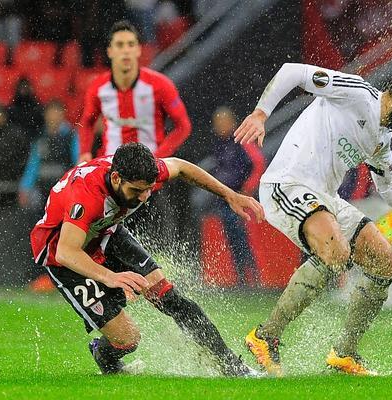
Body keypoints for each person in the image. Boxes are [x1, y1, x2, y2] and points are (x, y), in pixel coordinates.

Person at [234, 62, 392, 376]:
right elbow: (292, 72)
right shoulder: (355, 92)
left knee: (385, 260)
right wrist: (260, 113)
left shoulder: (382, 137)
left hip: (326, 198)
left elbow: (387, 184)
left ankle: (344, 354)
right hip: (288, 184)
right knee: (335, 253)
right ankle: (265, 337)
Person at [29, 142, 264, 376]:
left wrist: (230, 195)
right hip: (64, 258)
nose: (143, 198)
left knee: (170, 298)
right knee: (128, 340)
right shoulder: (86, 195)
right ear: (117, 178)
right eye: (136, 191)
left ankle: (233, 367)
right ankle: (103, 354)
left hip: (106, 233)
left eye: (148, 189)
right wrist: (111, 277)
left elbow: (181, 167)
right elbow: (67, 251)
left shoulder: (143, 172)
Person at [78, 20, 191, 162]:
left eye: (131, 44)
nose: (126, 50)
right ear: (110, 51)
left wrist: (158, 158)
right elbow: (86, 122)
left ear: (138, 50)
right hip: (111, 167)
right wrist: (85, 153)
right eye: (120, 45)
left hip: (149, 172)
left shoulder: (161, 85)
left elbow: (183, 126)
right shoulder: (98, 87)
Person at [207, 106, 265, 287]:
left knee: (241, 235)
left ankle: (253, 278)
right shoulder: (219, 144)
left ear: (232, 123)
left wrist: (247, 190)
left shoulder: (242, 139)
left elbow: (258, 163)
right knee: (232, 236)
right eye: (217, 123)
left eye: (222, 122)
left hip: (240, 197)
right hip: (225, 197)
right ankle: (241, 278)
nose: (219, 126)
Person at [19, 100, 79, 214]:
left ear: (63, 114)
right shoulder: (41, 136)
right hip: (43, 187)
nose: (53, 116)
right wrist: (25, 187)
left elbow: (77, 161)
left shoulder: (71, 136)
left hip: (64, 185)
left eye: (56, 113)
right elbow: (33, 164)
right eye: (50, 113)